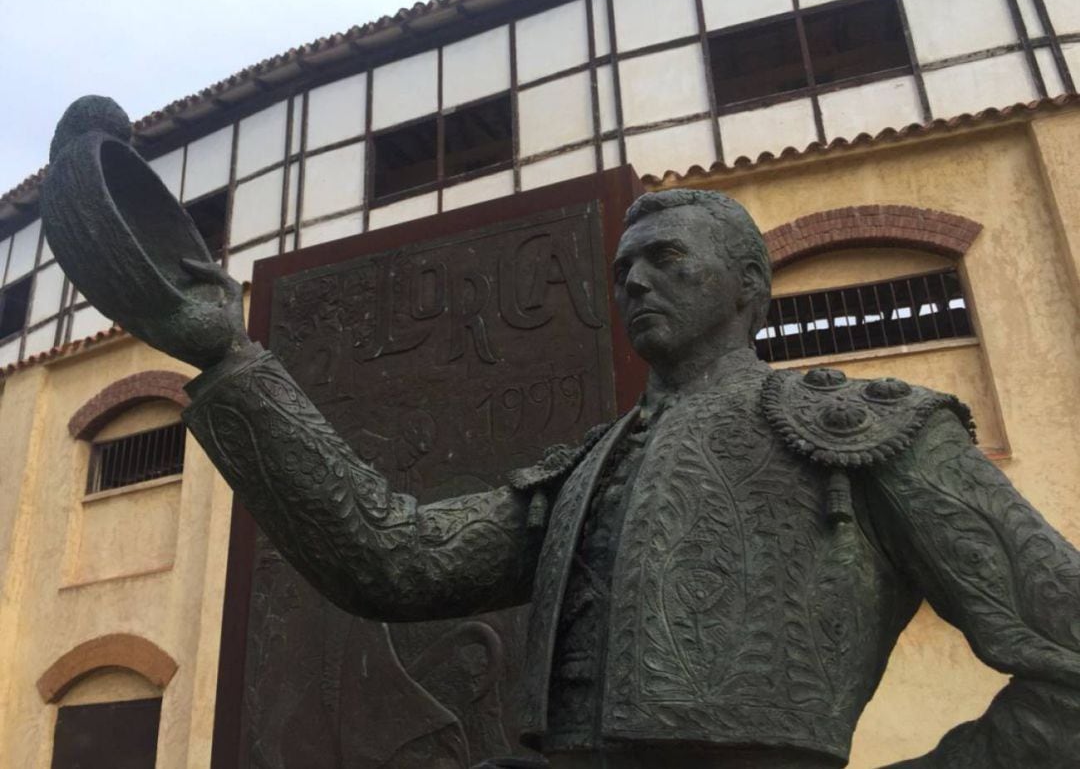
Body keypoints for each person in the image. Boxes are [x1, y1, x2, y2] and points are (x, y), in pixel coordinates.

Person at [40, 103, 1080, 767]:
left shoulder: (869, 434)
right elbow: (390, 558)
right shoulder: (590, 470)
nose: (632, 278)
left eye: (667, 259)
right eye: (624, 265)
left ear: (751, 291)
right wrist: (229, 361)